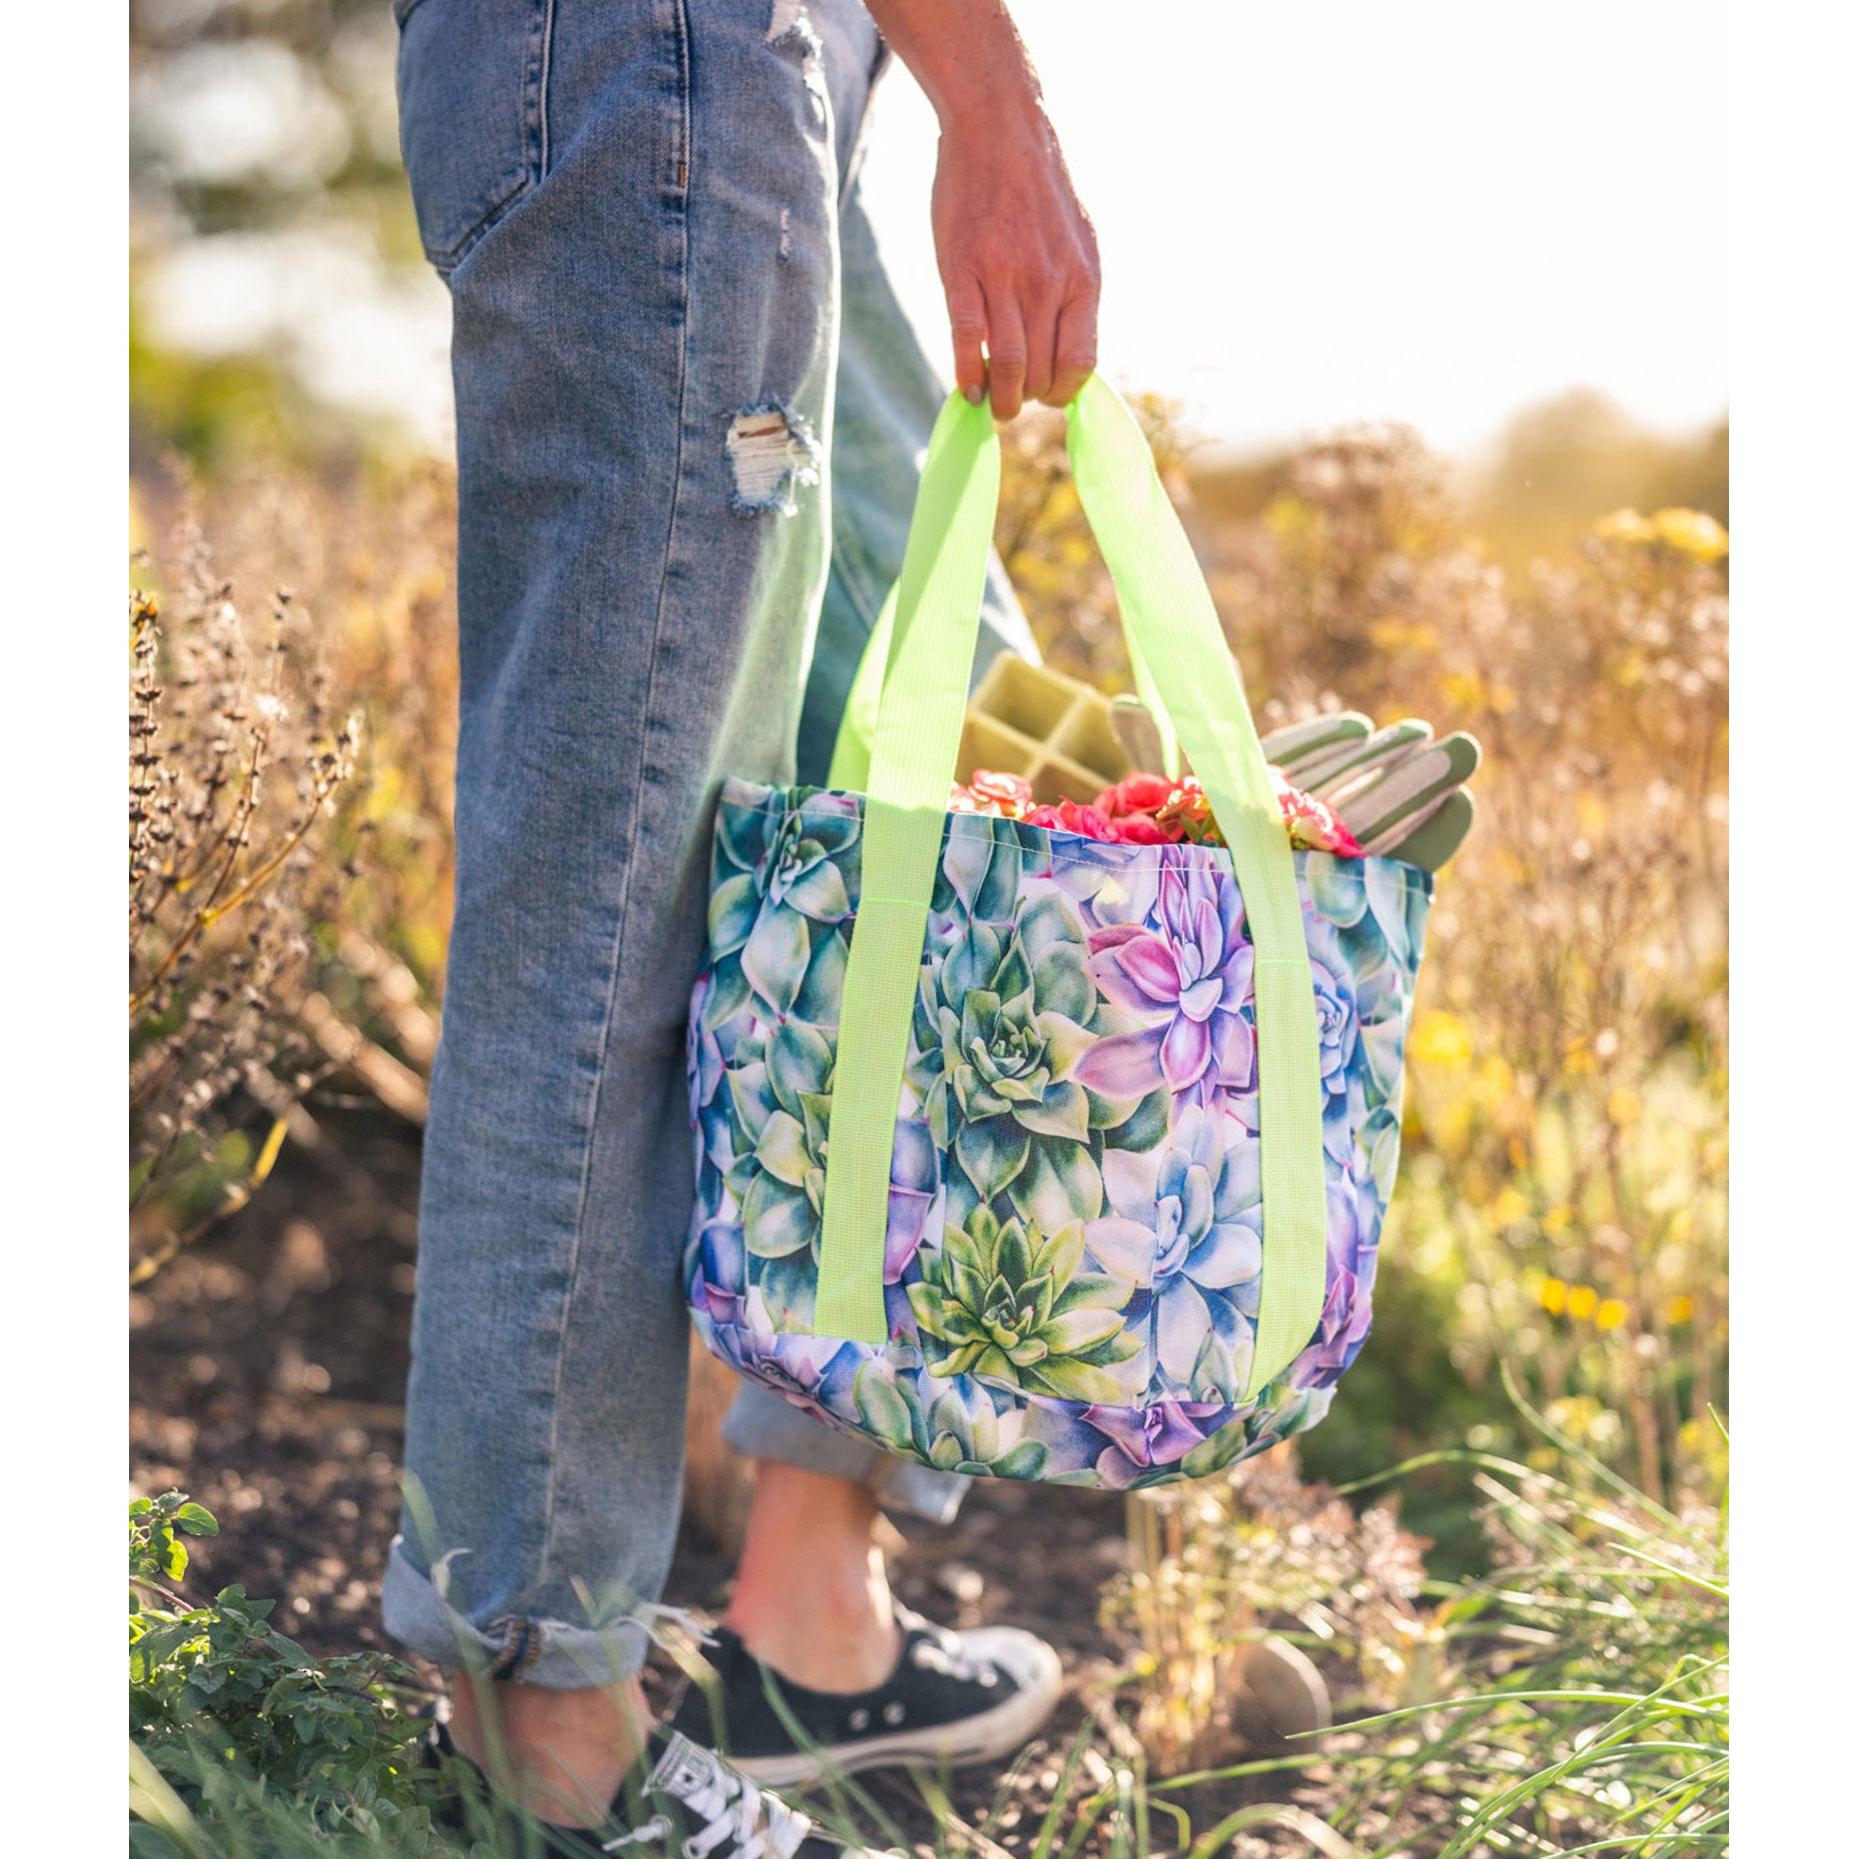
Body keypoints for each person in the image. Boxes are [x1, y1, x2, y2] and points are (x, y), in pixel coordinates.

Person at [383, 0, 1101, 1848]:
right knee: (614, 877)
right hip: (660, 61)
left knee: (983, 834)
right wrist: (997, 105)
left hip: (784, 95)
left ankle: (807, 1617)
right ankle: (552, 1732)